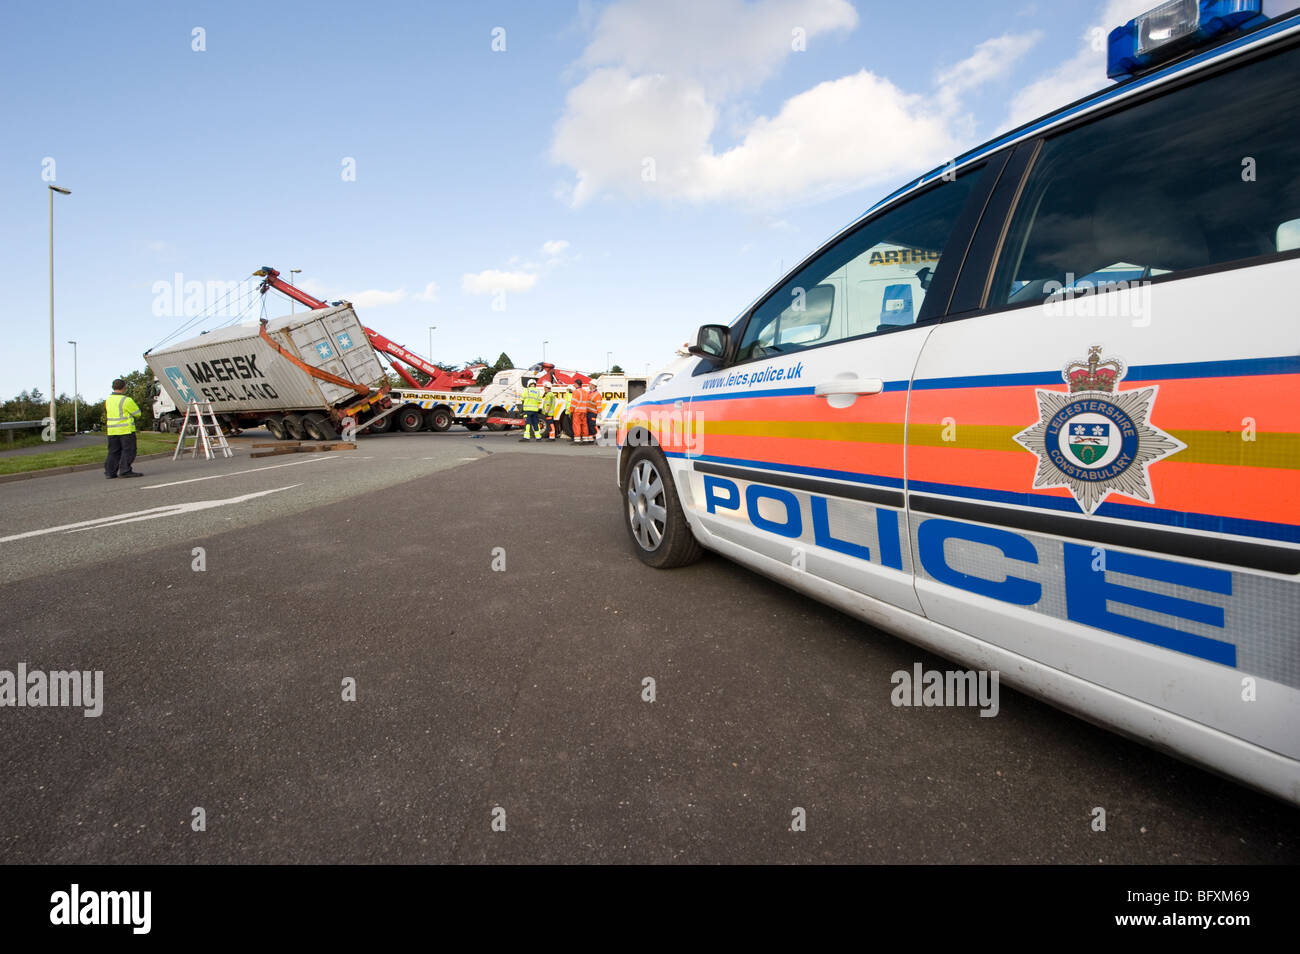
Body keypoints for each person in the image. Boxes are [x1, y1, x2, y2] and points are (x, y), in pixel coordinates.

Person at [104, 378, 143, 478]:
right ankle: (125, 470)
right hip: (125, 430)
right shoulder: (126, 400)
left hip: (112, 430)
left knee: (113, 451)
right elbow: (137, 413)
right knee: (129, 450)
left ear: (113, 387)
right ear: (124, 387)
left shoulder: (108, 400)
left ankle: (110, 472)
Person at [570, 379, 591, 445]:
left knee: (577, 425)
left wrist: (571, 411)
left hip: (577, 411)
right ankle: (585, 439)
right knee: (584, 425)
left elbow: (573, 403)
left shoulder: (576, 392)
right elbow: (588, 403)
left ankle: (577, 440)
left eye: (574, 384)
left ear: (576, 384)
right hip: (584, 411)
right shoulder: (585, 392)